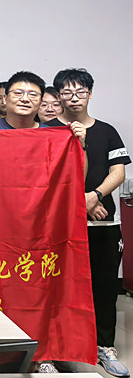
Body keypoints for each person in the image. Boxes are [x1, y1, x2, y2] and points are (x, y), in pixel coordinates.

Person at [46, 68, 130, 377]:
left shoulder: (107, 131)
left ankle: (104, 346)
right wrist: (78, 205)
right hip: (61, 225)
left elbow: (118, 172)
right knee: (58, 288)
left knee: (104, 286)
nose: (74, 97)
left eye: (80, 91)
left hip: (103, 223)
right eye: (66, 92)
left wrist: (94, 196)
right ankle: (58, 348)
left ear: (90, 94)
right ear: (58, 96)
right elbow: (45, 177)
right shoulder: (47, 130)